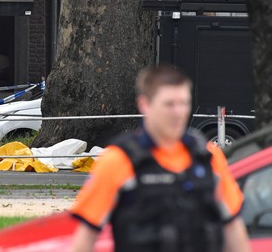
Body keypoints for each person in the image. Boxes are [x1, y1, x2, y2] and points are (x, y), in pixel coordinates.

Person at [70, 65, 250, 252]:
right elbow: (86, 237)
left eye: (184, 103)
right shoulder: (118, 159)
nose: (178, 112)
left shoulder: (208, 156)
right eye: (169, 104)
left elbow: (233, 227)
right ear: (145, 104)